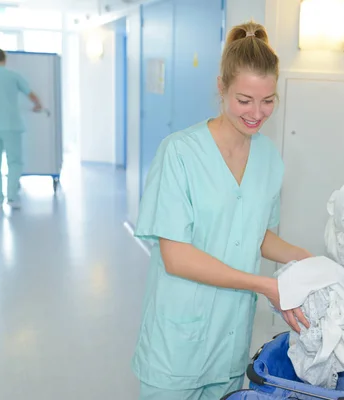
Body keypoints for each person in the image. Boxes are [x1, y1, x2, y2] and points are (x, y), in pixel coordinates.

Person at [132, 21, 312, 400]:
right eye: (244, 100)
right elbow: (176, 256)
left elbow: (256, 234)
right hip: (178, 341)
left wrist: (308, 260)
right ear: (221, 87)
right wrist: (265, 285)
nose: (256, 113)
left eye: (268, 101)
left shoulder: (268, 159)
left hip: (229, 338)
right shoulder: (180, 152)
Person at [0, 48, 42, 209]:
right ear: (5, 58)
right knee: (15, 161)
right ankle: (11, 197)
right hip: (12, 125)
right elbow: (30, 94)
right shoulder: (13, 76)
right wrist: (38, 105)